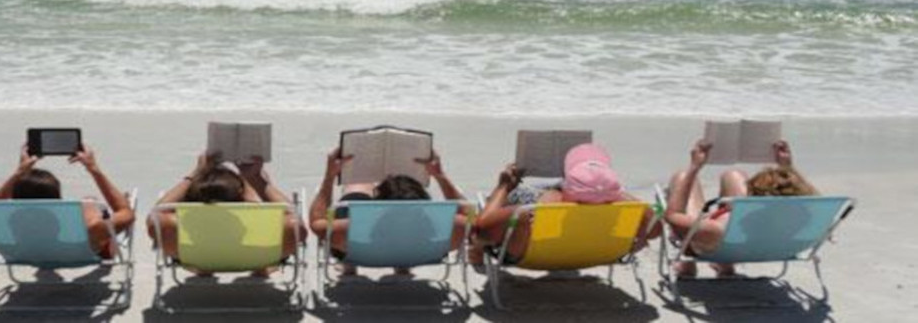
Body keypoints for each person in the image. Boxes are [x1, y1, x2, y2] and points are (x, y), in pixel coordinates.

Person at [473, 143, 659, 265]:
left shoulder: (528, 211)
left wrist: (503, 187)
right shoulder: (630, 211)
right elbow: (656, 230)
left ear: (567, 186)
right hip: (599, 255)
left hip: (533, 257)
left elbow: (480, 232)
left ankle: (474, 254)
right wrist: (617, 195)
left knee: (512, 197)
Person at [664, 139, 816, 277]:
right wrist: (786, 167)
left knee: (682, 176)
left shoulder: (717, 229)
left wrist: (694, 168)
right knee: (733, 175)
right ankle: (725, 264)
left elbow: (673, 215)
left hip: (716, 244)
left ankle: (693, 264)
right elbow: (796, 192)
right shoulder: (803, 217)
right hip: (763, 243)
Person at [308, 147, 472, 275]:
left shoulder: (351, 228)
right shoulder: (451, 226)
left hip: (363, 253)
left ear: (377, 205)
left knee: (356, 188)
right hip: (420, 253)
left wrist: (329, 177)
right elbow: (471, 214)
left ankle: (349, 264)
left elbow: (316, 223)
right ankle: (402, 265)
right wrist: (440, 176)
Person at [0, 144, 135, 259]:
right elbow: (127, 213)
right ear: (58, 198)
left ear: (13, 196)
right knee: (90, 205)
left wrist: (19, 172)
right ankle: (105, 244)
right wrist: (94, 169)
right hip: (78, 251)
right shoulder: (89, 227)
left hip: (25, 252)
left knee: (87, 206)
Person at [149, 153, 303, 268]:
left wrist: (194, 174)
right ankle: (261, 269)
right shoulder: (257, 223)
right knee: (287, 224)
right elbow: (296, 221)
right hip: (256, 258)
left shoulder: (189, 220)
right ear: (241, 196)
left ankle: (204, 270)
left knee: (161, 222)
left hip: (196, 257)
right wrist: (256, 180)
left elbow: (156, 216)